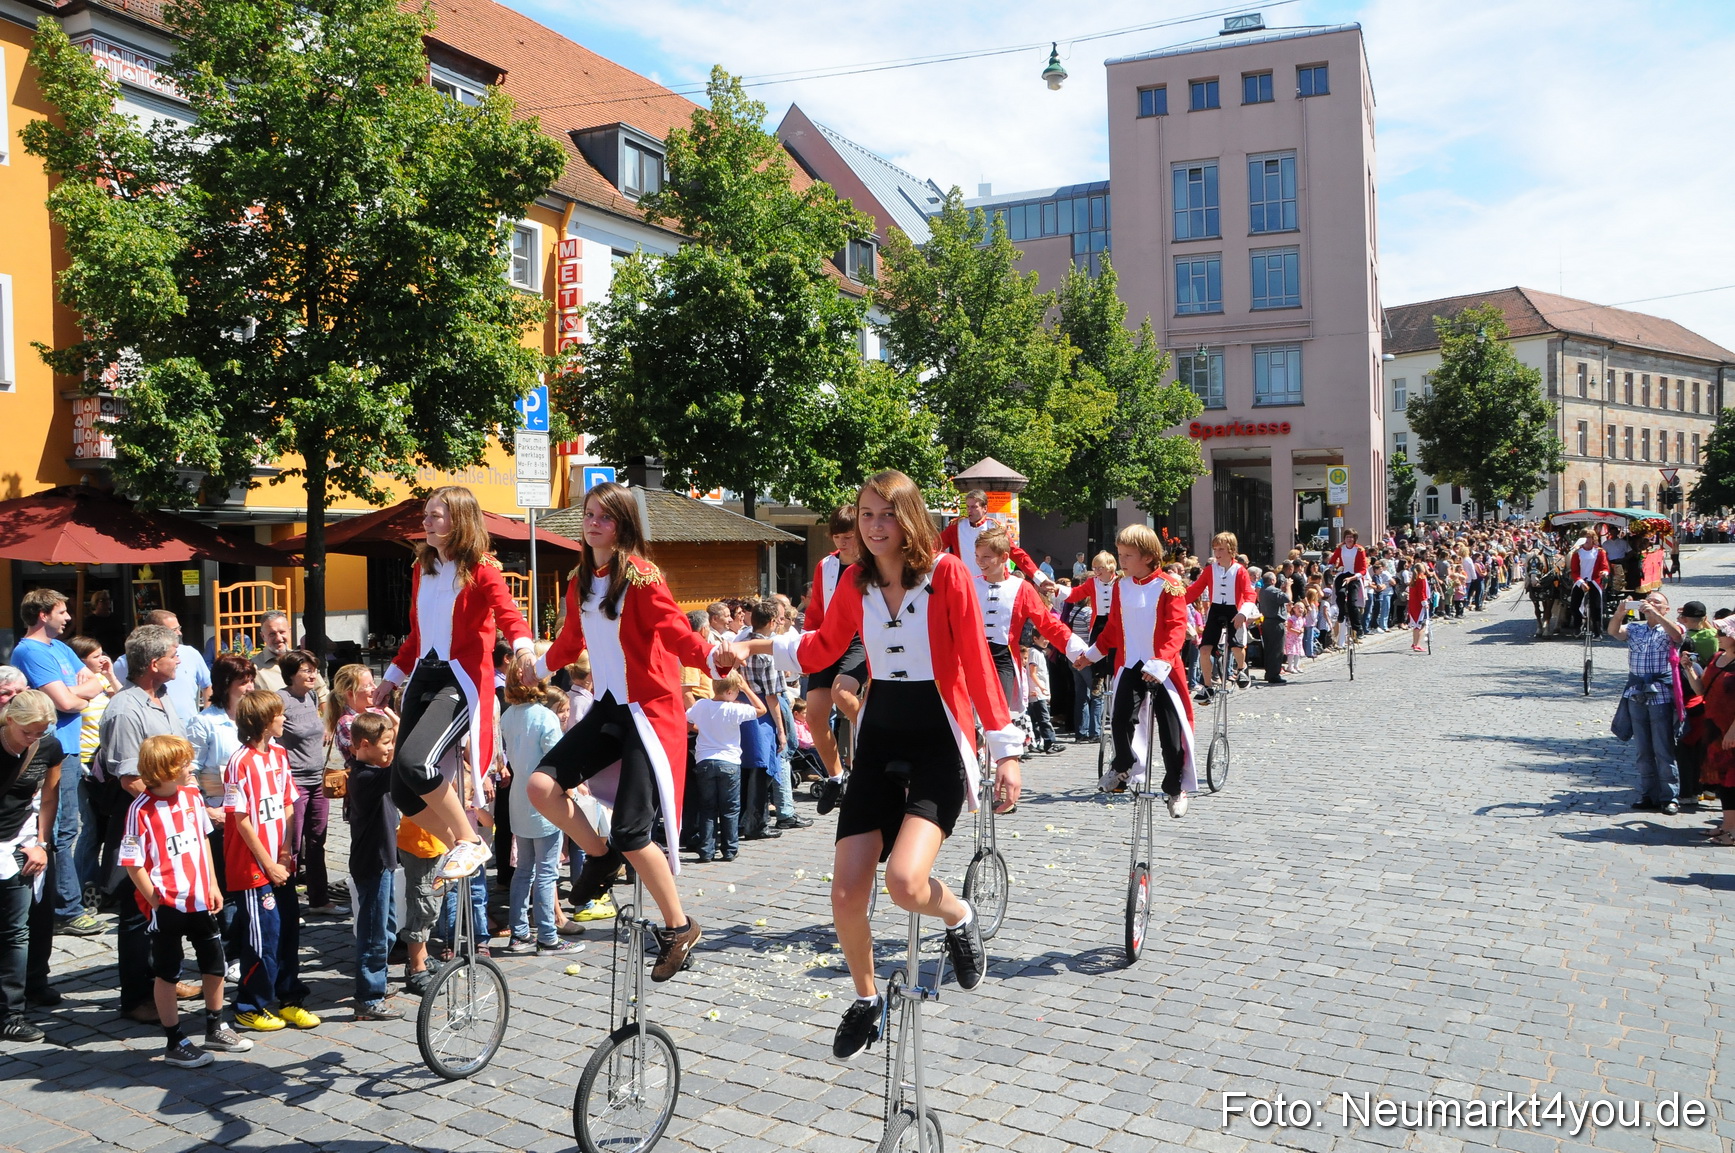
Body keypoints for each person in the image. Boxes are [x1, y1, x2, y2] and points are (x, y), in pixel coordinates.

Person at [731, 469, 1019, 1059]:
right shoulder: (855, 583)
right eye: (866, 515)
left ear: (908, 518)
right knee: (845, 895)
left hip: (939, 737)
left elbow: (976, 662)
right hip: (880, 740)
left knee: (906, 884)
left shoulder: (949, 577)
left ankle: (958, 915)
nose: (874, 526)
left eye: (886, 514)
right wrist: (748, 645)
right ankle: (866, 999)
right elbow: (817, 647)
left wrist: (1005, 750)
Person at [523, 481, 723, 985]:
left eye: (605, 517)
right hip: (610, 708)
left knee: (635, 831)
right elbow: (572, 637)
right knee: (540, 787)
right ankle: (598, 853)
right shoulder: (579, 578)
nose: (594, 523)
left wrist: (713, 658)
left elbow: (676, 631)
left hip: (647, 712)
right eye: (589, 514)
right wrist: (539, 667)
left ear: (623, 525)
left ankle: (679, 926)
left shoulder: (640, 576)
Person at [371, 486, 535, 883]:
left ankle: (469, 838)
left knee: (416, 762)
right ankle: (459, 847)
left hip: (459, 679)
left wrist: (526, 651)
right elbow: (416, 634)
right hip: (423, 675)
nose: (426, 523)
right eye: (426, 515)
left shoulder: (482, 568)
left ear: (458, 520)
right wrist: (390, 677)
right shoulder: (421, 568)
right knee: (403, 789)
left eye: (435, 516)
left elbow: (510, 616)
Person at [118, 734, 252, 1066]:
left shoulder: (192, 797)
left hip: (199, 898)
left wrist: (213, 884)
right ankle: (174, 1039)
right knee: (168, 972)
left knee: (214, 962)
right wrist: (155, 900)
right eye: (183, 763)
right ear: (163, 770)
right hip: (167, 904)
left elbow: (203, 842)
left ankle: (214, 1026)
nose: (190, 767)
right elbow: (133, 864)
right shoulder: (140, 810)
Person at [96, 624, 197, 1023]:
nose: (179, 660)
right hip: (141, 821)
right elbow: (130, 778)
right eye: (174, 655)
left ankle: (164, 980)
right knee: (138, 909)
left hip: (171, 817)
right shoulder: (125, 709)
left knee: (167, 905)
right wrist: (176, 799)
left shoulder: (164, 696)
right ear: (154, 664)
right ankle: (137, 997)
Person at [1077, 524, 1197, 815]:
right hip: (1131, 663)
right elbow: (1114, 629)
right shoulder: (1120, 585)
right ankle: (1123, 766)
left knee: (1170, 732)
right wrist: (1090, 655)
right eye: (1120, 554)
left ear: (1147, 556)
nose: (1122, 561)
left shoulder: (1170, 585)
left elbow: (1176, 629)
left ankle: (1175, 786)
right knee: (1120, 719)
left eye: (1128, 555)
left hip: (1163, 669)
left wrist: (1161, 664)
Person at [11, 589, 108, 937]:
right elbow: (65, 701)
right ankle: (64, 908)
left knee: (67, 827)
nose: (68, 618)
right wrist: (77, 694)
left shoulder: (62, 648)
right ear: (42, 614)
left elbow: (96, 682)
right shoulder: (30, 651)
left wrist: (76, 694)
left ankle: (59, 904)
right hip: (51, 748)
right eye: (62, 612)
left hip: (69, 749)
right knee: (58, 829)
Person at [224, 689, 317, 1031]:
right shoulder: (240, 762)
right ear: (263, 721)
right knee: (265, 936)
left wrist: (285, 852)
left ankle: (290, 997)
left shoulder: (279, 754)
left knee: (289, 929)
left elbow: (289, 803)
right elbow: (241, 819)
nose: (284, 718)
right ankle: (249, 1003)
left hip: (279, 862)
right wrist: (267, 862)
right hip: (253, 868)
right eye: (278, 714)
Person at [971, 526, 1086, 728]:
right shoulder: (968, 584)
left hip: (1003, 659)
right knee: (969, 721)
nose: (980, 561)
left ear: (1004, 557)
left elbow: (1047, 623)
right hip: (971, 657)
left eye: (987, 557)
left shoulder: (1021, 588)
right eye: (977, 556)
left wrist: (1077, 649)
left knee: (999, 721)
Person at [500, 679, 578, 957]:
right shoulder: (544, 716)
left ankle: (519, 934)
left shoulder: (508, 715)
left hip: (520, 798)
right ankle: (547, 936)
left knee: (524, 870)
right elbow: (559, 758)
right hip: (543, 798)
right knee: (546, 871)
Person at [0, 690, 60, 1042]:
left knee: (16, 930)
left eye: (40, 732)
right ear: (10, 721)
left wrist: (41, 843)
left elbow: (49, 797)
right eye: (28, 733)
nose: (34, 739)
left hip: (18, 844)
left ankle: (12, 1011)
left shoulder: (47, 748)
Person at [343, 712, 406, 1020]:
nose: (390, 748)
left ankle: (376, 980)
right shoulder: (367, 775)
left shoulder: (370, 769)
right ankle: (368, 998)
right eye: (385, 743)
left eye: (392, 741)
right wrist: (406, 725)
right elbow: (404, 762)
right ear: (364, 745)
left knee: (388, 928)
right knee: (374, 933)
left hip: (384, 862)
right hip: (373, 863)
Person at [804, 507, 867, 811]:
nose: (843, 543)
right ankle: (835, 776)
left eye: (850, 537)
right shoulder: (825, 565)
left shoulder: (873, 564)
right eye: (838, 537)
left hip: (860, 638)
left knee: (842, 693)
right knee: (814, 715)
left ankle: (875, 738)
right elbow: (816, 609)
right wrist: (807, 643)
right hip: (828, 637)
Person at [274, 650, 342, 917]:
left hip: (318, 779)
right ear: (291, 674)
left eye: (314, 669)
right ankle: (287, 904)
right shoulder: (281, 699)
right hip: (294, 781)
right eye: (306, 670)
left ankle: (319, 899)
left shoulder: (311, 696)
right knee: (291, 845)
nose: (313, 674)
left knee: (317, 840)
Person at [1609, 591, 1685, 814]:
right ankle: (1648, 794)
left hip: (1661, 695)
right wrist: (1620, 612)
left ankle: (1669, 796)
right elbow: (1614, 632)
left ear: (1666, 608)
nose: (1650, 604)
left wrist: (1656, 616)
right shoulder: (1635, 628)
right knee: (1643, 749)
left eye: (1657, 602)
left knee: (1663, 748)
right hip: (1636, 693)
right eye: (1648, 600)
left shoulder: (1669, 628)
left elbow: (1679, 635)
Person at [685, 673, 766, 862]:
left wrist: (704, 729)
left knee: (707, 808)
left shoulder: (701, 705)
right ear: (730, 691)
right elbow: (761, 710)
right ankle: (729, 849)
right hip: (729, 762)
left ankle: (706, 850)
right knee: (730, 809)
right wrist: (747, 688)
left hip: (704, 760)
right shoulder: (734, 709)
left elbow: (687, 722)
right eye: (737, 691)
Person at [1182, 533, 1256, 703]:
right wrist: (1175, 601)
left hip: (1234, 610)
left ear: (1231, 550)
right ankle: (1207, 687)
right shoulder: (1210, 570)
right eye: (1215, 549)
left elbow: (1249, 594)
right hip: (1216, 609)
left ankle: (1242, 668)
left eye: (1221, 549)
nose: (1217, 553)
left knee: (1236, 647)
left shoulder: (1240, 571)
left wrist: (1243, 613)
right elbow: (1195, 590)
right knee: (1204, 650)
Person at [114, 610, 212, 724]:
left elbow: (208, 685)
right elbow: (120, 692)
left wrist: (205, 717)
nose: (179, 633)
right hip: (151, 730)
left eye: (179, 628)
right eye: (173, 630)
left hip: (189, 729)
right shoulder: (125, 662)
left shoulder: (191, 653)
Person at [1062, 551, 1120, 739]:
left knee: (1116, 651)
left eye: (1100, 568)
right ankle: (1098, 676)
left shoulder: (1121, 581)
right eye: (1094, 568)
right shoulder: (1092, 582)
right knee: (1096, 648)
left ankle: (1115, 673)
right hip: (1100, 621)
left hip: (1117, 622)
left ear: (1110, 567)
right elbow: (1074, 595)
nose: (1096, 571)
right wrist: (1057, 590)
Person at [940, 489, 1048, 587]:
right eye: (968, 506)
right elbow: (934, 547)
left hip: (993, 584)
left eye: (974, 507)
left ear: (985, 508)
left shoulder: (995, 527)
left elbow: (1016, 554)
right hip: (966, 584)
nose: (969, 510)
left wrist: (1039, 578)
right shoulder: (956, 527)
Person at [1329, 530, 1370, 638]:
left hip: (1354, 576)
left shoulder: (1360, 550)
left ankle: (1358, 628)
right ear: (1344, 538)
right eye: (1347, 537)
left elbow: (1363, 570)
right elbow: (1332, 561)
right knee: (1340, 594)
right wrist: (1332, 569)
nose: (1349, 539)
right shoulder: (1340, 548)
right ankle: (1341, 612)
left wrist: (1352, 578)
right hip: (1343, 574)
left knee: (1352, 603)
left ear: (1354, 538)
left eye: (1351, 537)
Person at [1255, 574, 1290, 686]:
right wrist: (1288, 587)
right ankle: (1274, 674)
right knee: (1276, 649)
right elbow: (1288, 599)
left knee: (1269, 649)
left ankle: (1269, 672)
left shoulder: (1263, 590)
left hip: (1267, 621)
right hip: (1275, 622)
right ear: (1272, 580)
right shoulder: (1273, 591)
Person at [251, 612, 291, 692]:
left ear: (289, 631)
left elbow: (321, 694)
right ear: (263, 636)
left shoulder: (303, 660)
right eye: (272, 634)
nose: (279, 638)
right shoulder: (253, 668)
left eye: (282, 632)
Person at [1408, 563, 1432, 652]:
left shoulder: (1415, 578)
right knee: (1420, 625)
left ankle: (1415, 643)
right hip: (1419, 604)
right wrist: (1425, 603)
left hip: (1413, 603)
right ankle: (1417, 644)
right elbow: (1421, 592)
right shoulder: (1421, 578)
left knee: (1416, 625)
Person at [1283, 601, 1306, 675]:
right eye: (1298, 608)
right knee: (1291, 652)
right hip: (1291, 638)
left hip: (1298, 639)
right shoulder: (1291, 618)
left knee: (1298, 652)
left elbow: (1302, 626)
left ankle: (1296, 666)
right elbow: (1289, 628)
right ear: (1294, 609)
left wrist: (1302, 630)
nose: (1300, 609)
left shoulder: (1302, 618)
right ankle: (1290, 666)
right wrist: (1296, 631)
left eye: (1301, 608)